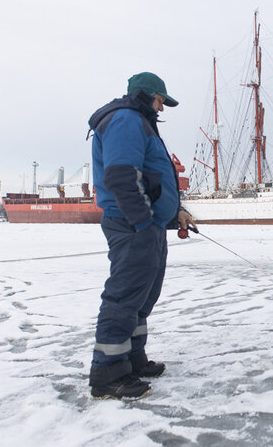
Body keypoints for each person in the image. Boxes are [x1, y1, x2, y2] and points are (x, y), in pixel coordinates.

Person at [87, 71, 195, 400]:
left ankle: (132, 359)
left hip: (148, 226)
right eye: (161, 101)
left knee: (141, 298)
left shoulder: (139, 121)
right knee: (124, 296)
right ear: (148, 95)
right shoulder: (126, 120)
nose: (162, 108)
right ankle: (108, 374)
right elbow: (122, 176)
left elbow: (150, 179)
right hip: (134, 225)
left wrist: (173, 212)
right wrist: (144, 221)